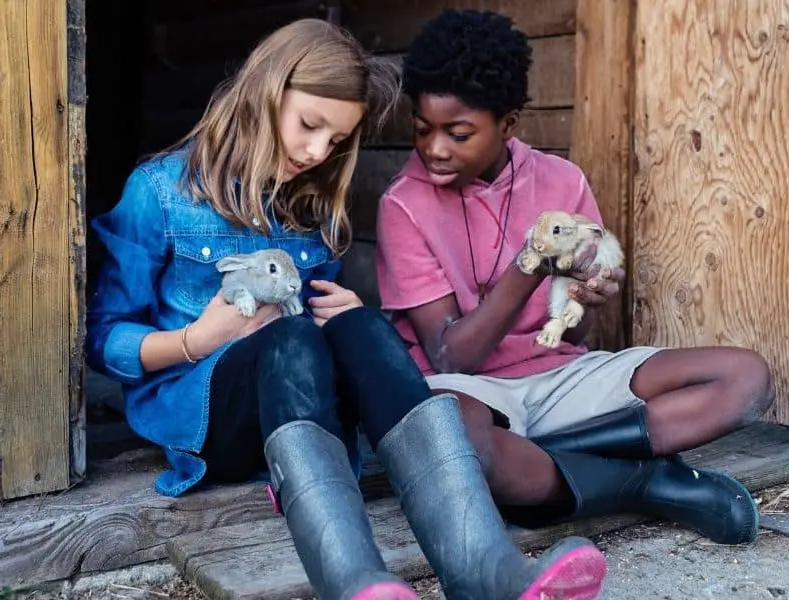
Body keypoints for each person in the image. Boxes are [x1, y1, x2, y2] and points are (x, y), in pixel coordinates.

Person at [85, 18, 610, 600]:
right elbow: (104, 340)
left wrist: (349, 318)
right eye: (310, 126)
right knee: (290, 342)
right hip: (205, 416)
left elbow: (321, 341)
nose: (316, 153)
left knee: (354, 323)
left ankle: (487, 569)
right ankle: (355, 581)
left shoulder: (309, 207)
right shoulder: (158, 191)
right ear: (265, 91)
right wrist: (198, 339)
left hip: (301, 419)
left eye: (335, 142)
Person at [374, 9, 777, 546]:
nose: (435, 149)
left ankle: (556, 468)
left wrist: (587, 299)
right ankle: (645, 480)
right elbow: (453, 356)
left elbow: (576, 336)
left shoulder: (562, 181)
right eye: (423, 130)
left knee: (745, 379)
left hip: (561, 379)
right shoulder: (403, 204)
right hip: (467, 390)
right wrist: (530, 264)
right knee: (454, 446)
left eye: (459, 132)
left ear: (509, 123)